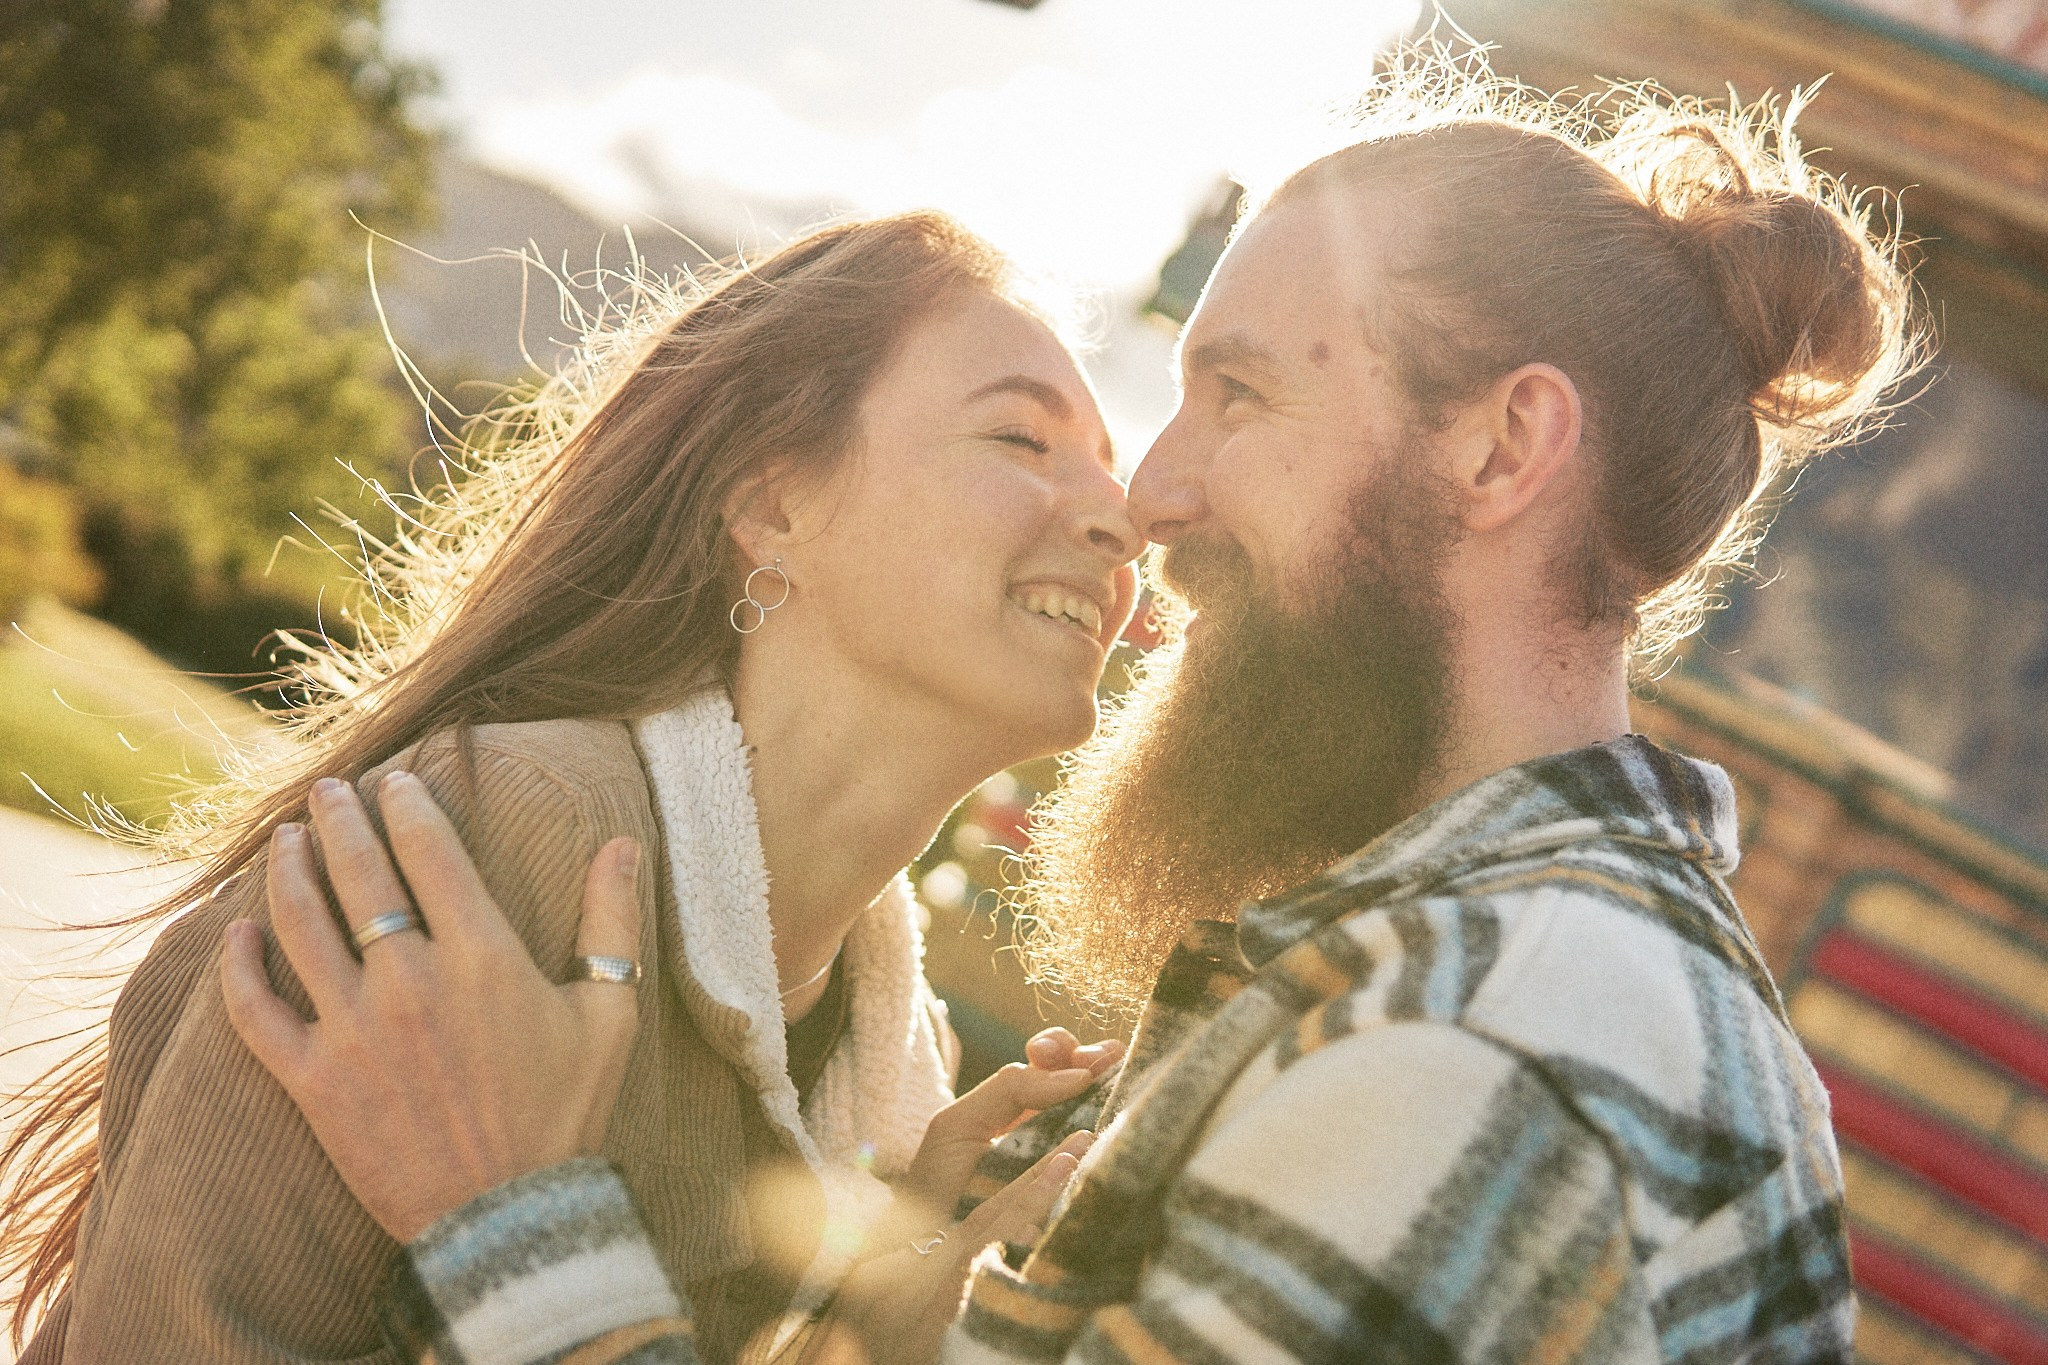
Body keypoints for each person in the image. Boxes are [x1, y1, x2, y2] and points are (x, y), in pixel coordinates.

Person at [224, 63, 1922, 1365]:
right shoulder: (1516, 977)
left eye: (1237, 392)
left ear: (1498, 448)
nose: (1154, 494)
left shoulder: (1477, 1049)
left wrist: (505, 1217)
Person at [0, 211, 1141, 1363]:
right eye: (1020, 439)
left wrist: (866, 1323)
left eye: (1111, 465)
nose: (1119, 518)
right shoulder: (488, 840)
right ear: (773, 506)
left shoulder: (900, 1069)